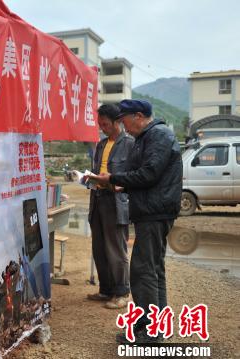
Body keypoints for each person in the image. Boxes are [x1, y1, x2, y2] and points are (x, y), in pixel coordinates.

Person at [89, 99, 182, 343]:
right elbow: (140, 174)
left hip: (155, 211)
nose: (124, 127)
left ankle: (150, 332)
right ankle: (153, 327)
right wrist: (121, 183)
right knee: (153, 269)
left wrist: (115, 178)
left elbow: (150, 173)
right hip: (151, 209)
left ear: (139, 116)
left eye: (124, 121)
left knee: (142, 271)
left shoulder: (158, 135)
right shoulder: (147, 137)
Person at [86, 104, 134, 309]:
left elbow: (134, 176)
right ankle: (106, 289)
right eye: (100, 125)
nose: (102, 128)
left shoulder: (130, 144)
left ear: (117, 122)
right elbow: (98, 170)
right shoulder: (101, 144)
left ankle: (122, 292)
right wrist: (90, 178)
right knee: (99, 248)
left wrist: (116, 184)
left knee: (116, 249)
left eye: (105, 124)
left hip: (116, 201)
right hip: (97, 198)